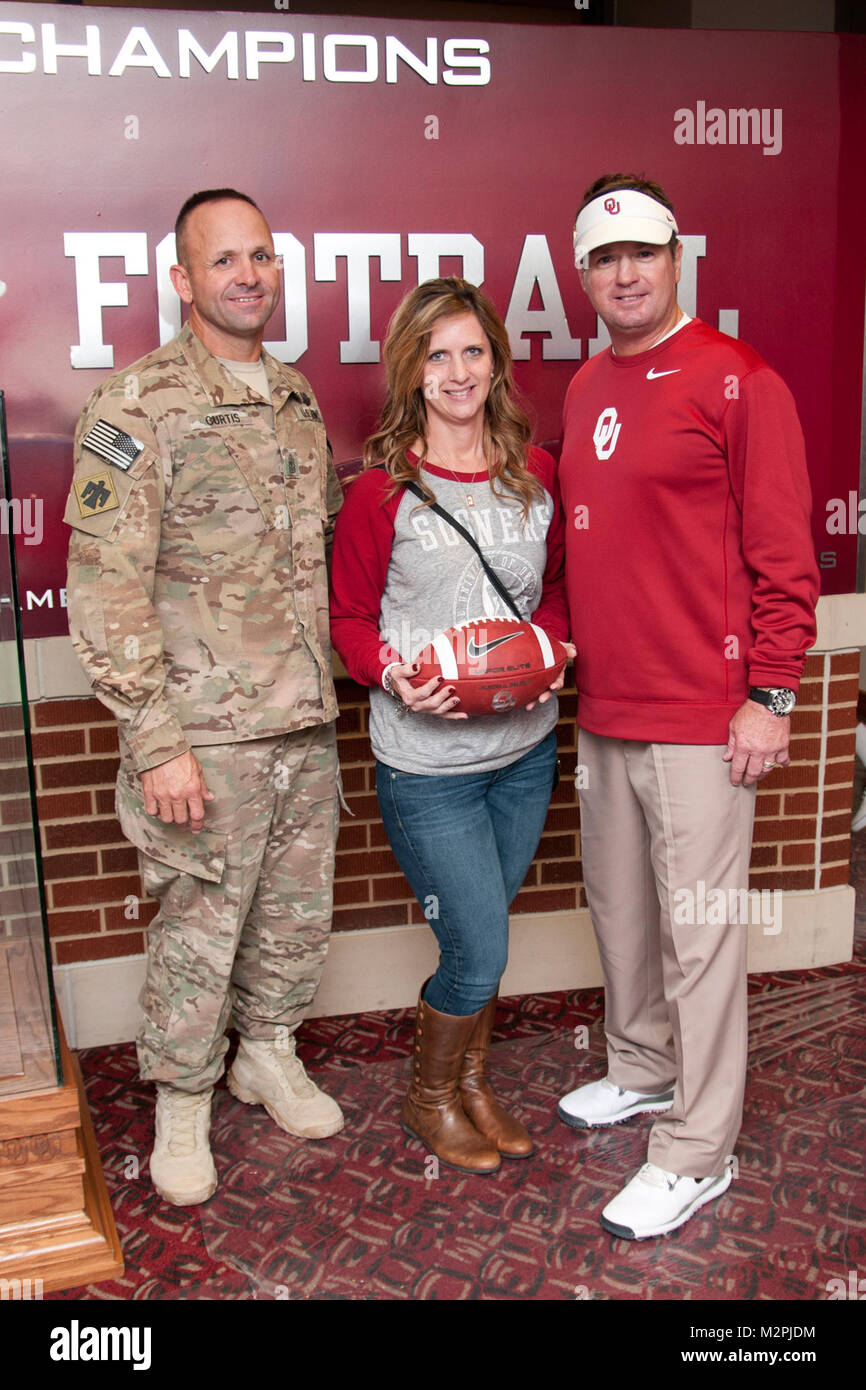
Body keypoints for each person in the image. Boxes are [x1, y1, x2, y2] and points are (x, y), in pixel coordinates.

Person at [65, 189, 345, 1207]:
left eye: (262, 256)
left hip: (302, 723)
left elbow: (314, 550)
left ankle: (264, 1052)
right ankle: (181, 1100)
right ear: (181, 282)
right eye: (223, 260)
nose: (248, 274)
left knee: (292, 918)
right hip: (203, 735)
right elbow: (102, 590)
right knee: (198, 930)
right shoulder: (134, 407)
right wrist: (154, 742)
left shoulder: (296, 399)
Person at [556, 174, 819, 1238]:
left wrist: (769, 692)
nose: (625, 273)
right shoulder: (581, 387)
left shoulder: (736, 379)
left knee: (700, 935)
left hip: (706, 715)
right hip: (604, 705)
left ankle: (698, 1147)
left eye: (643, 253)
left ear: (676, 259)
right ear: (582, 273)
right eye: (603, 258)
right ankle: (640, 1068)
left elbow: (780, 552)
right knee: (620, 914)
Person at [330, 278, 574, 1174]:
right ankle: (428, 1097)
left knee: (488, 934)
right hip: (427, 768)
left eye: (473, 351)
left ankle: (471, 1084)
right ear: (412, 370)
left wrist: (553, 646)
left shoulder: (536, 472)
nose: (458, 371)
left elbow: (549, 589)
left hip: (524, 755)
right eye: (438, 355)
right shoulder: (380, 492)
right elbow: (348, 619)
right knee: (477, 947)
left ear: (496, 363)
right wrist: (392, 675)